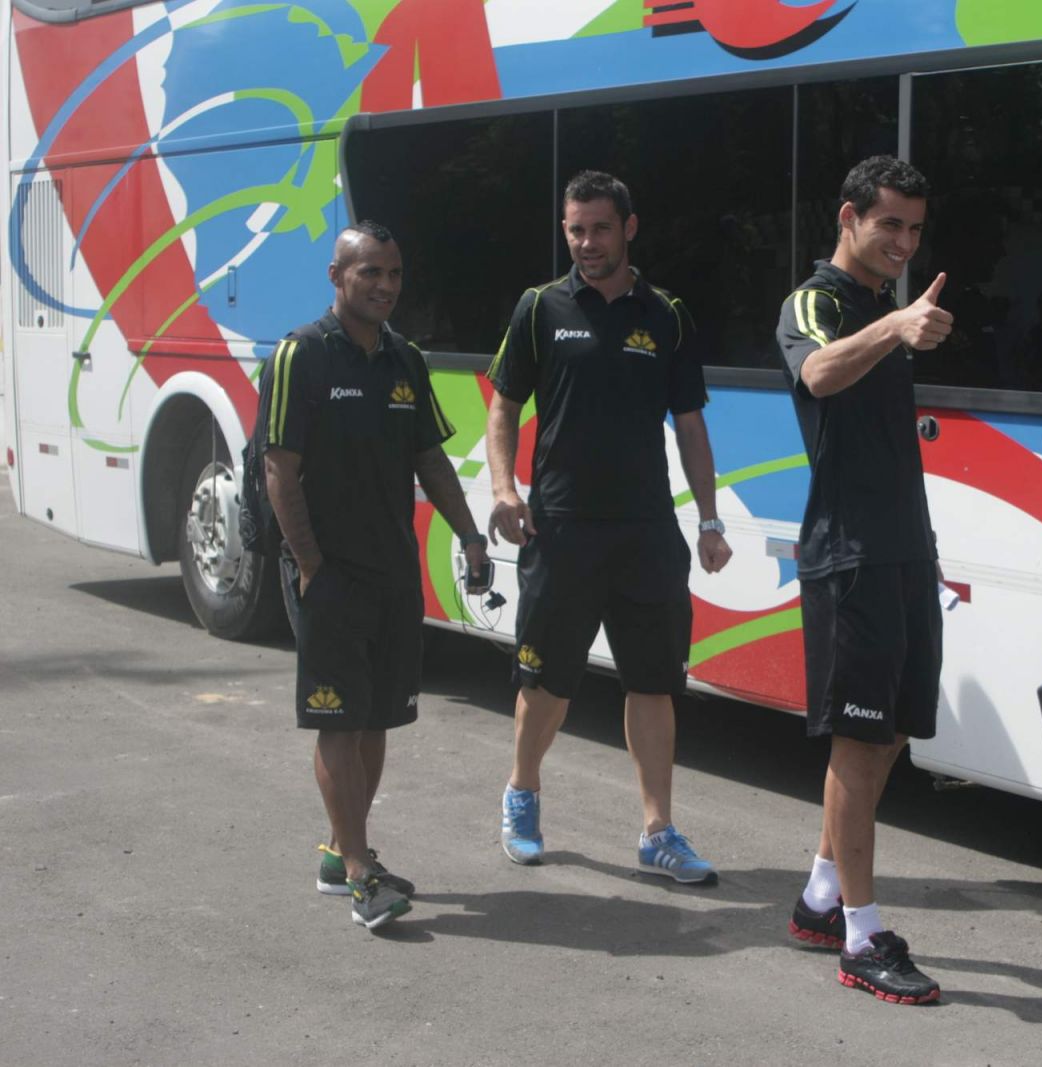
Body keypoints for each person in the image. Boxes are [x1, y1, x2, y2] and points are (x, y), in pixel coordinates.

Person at [485, 171, 732, 883]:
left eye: (599, 228)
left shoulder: (667, 314)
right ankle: (522, 792)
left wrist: (709, 520)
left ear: (629, 228)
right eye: (575, 230)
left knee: (654, 682)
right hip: (560, 529)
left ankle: (658, 831)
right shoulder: (540, 307)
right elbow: (504, 405)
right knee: (548, 684)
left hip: (646, 532)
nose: (586, 242)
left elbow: (690, 426)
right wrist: (503, 488)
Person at [259, 220, 490, 930]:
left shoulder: (404, 358)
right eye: (370, 273)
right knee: (338, 718)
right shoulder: (301, 354)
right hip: (330, 573)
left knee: (377, 717)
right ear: (337, 277)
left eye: (393, 274)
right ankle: (360, 875)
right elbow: (279, 469)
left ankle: (342, 853)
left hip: (393, 571)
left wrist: (470, 535)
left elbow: (430, 459)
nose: (385, 286)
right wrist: (310, 565)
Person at [774, 155, 951, 1005]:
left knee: (890, 735)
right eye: (890, 225)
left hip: (904, 549)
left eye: (915, 229)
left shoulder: (885, 307)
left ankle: (820, 896)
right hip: (848, 555)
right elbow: (816, 372)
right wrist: (896, 327)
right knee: (858, 737)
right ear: (849, 218)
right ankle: (862, 935)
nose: (904, 243)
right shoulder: (818, 301)